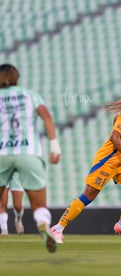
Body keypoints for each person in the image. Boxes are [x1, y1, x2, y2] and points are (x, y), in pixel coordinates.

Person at [50, 83, 121, 243]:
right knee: (88, 196)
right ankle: (57, 228)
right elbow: (114, 137)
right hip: (108, 160)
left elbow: (118, 126)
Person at [0, 63, 61, 252]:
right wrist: (54, 146)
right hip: (29, 153)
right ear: (16, 77)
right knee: (39, 204)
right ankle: (42, 224)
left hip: (2, 153)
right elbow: (47, 117)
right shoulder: (30, 95)